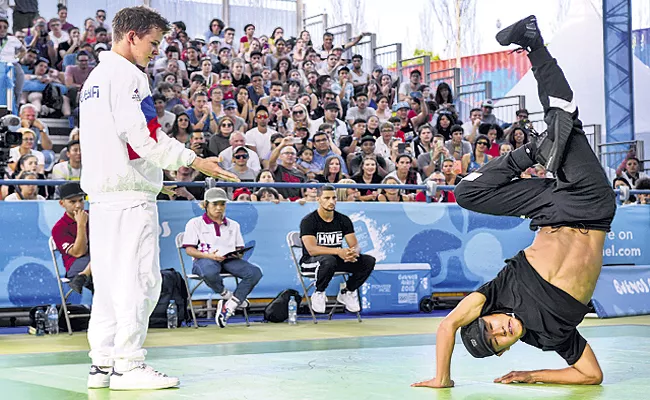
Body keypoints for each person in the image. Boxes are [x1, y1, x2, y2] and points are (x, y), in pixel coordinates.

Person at [413, 15, 616, 389]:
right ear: (505, 349)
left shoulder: (494, 295)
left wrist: (442, 378)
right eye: (498, 341)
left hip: (549, 208)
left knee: (465, 193)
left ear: (488, 316)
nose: (500, 330)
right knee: (563, 117)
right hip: (592, 204)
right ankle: (533, 44)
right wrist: (531, 375)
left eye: (491, 327)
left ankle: (530, 152)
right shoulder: (549, 337)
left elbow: (448, 324)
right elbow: (591, 375)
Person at [79, 7, 238, 391]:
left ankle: (102, 365)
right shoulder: (129, 75)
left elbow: (118, 145)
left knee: (110, 284)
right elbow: (144, 136)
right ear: (132, 36)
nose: (156, 51)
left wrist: (154, 180)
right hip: (130, 202)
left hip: (104, 198)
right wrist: (193, 159)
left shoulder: (94, 79)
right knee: (139, 280)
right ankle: (129, 366)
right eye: (153, 43)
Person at [183, 188, 262, 328]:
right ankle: (226, 294)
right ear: (205, 205)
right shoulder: (194, 223)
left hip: (229, 260)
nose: (219, 208)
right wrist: (208, 256)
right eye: (215, 204)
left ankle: (230, 306)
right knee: (209, 271)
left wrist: (238, 254)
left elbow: (239, 248)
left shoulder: (234, 225)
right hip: (204, 259)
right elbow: (189, 250)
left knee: (255, 272)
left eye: (222, 204)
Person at [299, 185, 376, 314]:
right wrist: (339, 251)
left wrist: (353, 253)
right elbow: (312, 250)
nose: (331, 201)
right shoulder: (308, 221)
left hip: (334, 260)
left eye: (334, 198)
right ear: (318, 199)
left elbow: (355, 245)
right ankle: (319, 292)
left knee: (368, 261)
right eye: (327, 198)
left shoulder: (343, 220)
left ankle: (348, 291)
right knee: (329, 260)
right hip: (310, 262)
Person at [51, 182, 93, 294]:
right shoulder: (59, 228)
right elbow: (79, 252)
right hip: (76, 265)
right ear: (62, 203)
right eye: (72, 202)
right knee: (104, 266)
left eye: (81, 200)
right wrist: (81, 225)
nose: (78, 205)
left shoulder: (94, 216)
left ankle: (85, 274)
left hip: (97, 260)